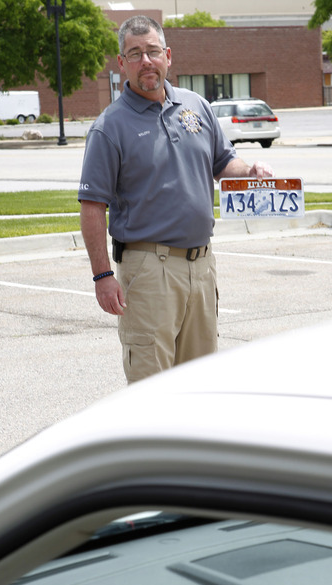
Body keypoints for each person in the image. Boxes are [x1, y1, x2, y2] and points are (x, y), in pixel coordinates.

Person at [78, 14, 273, 383]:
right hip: (149, 269)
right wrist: (102, 275)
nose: (146, 62)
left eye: (152, 51)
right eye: (134, 54)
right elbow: (92, 208)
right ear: (122, 64)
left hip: (202, 266)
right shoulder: (109, 127)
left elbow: (224, 160)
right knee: (151, 386)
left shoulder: (196, 106)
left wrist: (249, 171)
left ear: (167, 55)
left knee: (198, 383)